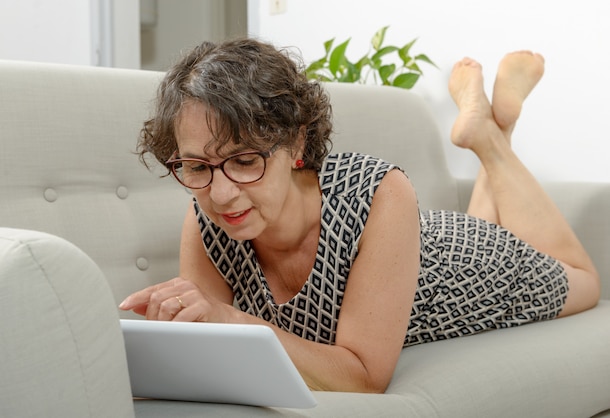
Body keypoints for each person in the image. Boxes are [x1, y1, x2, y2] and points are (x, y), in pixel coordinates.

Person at [119, 38, 600, 393]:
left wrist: (226, 319)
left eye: (246, 160)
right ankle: (498, 127)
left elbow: (365, 378)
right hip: (409, 248)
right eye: (198, 166)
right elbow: (205, 355)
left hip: (471, 265)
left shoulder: (376, 191)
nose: (221, 193)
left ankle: (490, 140)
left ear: (297, 143)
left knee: (586, 280)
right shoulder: (206, 216)